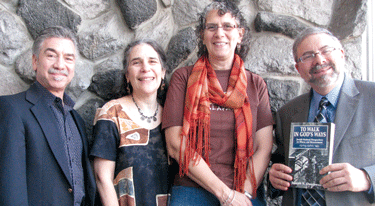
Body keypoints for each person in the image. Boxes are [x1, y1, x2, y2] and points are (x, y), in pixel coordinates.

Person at [162, 1, 273, 205]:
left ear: (240, 34)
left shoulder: (256, 84)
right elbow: (175, 144)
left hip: (244, 191)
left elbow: (263, 147)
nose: (219, 33)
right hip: (192, 190)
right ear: (203, 36)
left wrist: (243, 195)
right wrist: (225, 195)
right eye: (211, 27)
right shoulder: (183, 78)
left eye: (227, 26)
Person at [269, 27, 375, 205]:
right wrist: (274, 179)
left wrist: (366, 178)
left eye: (326, 50)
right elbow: (280, 167)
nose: (319, 60)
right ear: (298, 68)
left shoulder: (372, 97)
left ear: (341, 53)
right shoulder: (286, 114)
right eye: (308, 56)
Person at [0, 26, 96, 205]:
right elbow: (10, 185)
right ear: (35, 62)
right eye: (51, 55)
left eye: (68, 58)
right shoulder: (12, 108)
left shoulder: (77, 119)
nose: (60, 65)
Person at [90, 39, 169, 206]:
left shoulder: (172, 117)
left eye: (152, 61)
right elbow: (102, 178)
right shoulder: (112, 113)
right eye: (136, 62)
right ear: (127, 75)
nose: (145, 68)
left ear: (162, 72)